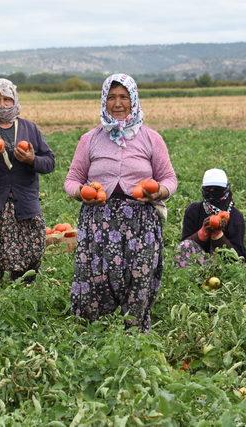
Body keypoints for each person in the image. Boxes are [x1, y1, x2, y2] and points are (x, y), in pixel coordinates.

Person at [64, 73, 177, 332]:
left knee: (138, 277)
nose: (118, 103)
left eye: (124, 97)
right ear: (104, 101)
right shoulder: (90, 139)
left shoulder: (151, 138)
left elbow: (170, 179)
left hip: (140, 223)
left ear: (133, 100)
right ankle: (93, 334)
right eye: (112, 97)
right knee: (95, 277)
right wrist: (82, 192)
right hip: (98, 223)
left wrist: (158, 191)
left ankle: (134, 334)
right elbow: (71, 180)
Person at [0, 79, 55, 283]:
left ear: (14, 100)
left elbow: (49, 162)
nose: (2, 105)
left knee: (29, 254)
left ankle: (23, 292)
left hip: (24, 202)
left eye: (7, 99)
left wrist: (32, 160)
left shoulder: (29, 128)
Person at [175, 168, 246, 267]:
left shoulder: (236, 217)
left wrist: (218, 236)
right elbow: (183, 247)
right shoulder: (193, 211)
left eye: (217, 190)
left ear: (226, 189)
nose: (213, 193)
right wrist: (202, 233)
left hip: (225, 268)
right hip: (197, 265)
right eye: (208, 190)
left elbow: (239, 257)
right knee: (185, 246)